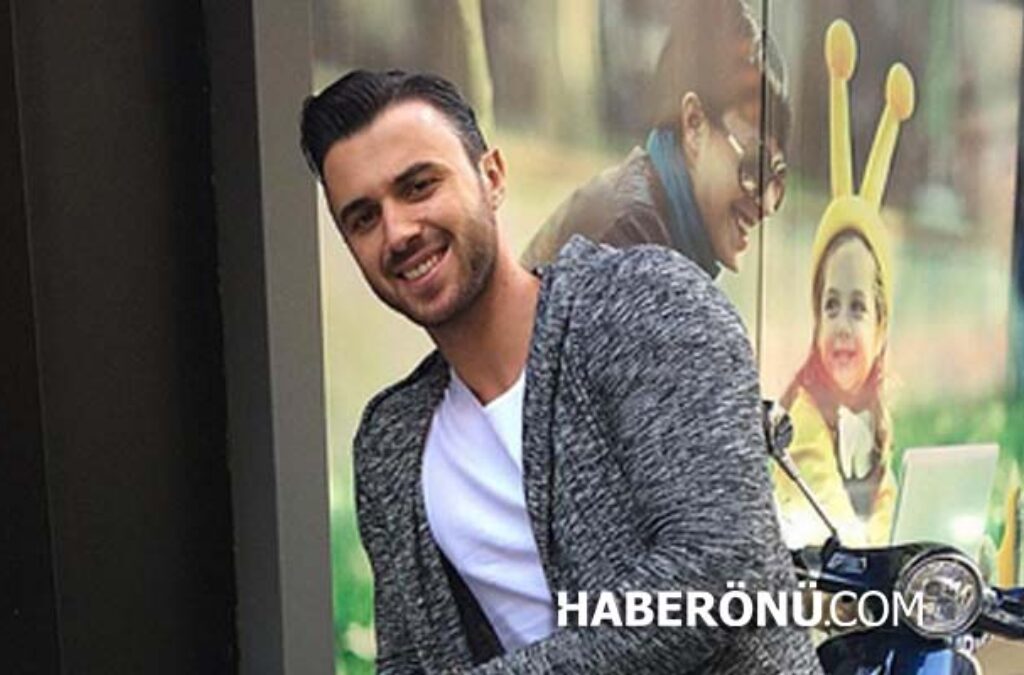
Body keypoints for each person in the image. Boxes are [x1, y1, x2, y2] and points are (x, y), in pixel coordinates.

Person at [300, 69, 820, 673]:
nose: (397, 233)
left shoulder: (641, 307)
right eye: (363, 218)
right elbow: (408, 661)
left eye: (418, 187)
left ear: (492, 177)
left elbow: (720, 573)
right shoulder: (392, 441)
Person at [520, 0, 789, 277]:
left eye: (778, 177)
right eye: (755, 168)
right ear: (694, 124)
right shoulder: (630, 248)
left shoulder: (657, 218)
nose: (768, 205)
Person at [771, 19, 912, 549]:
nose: (842, 325)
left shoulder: (875, 413)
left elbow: (888, 502)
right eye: (830, 306)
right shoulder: (805, 417)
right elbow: (834, 524)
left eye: (858, 308)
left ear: (882, 325)